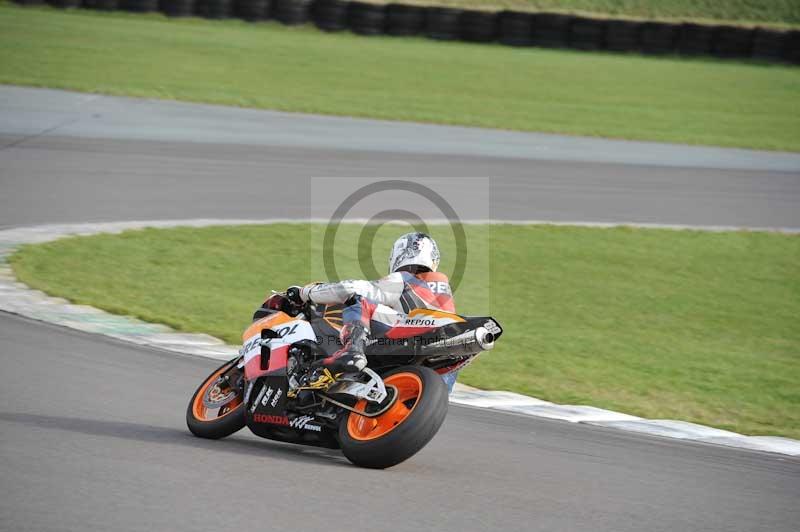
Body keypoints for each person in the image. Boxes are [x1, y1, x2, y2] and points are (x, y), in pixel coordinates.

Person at [286, 232, 458, 389]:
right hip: (441, 366)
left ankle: (352, 351)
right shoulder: (442, 288)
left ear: (400, 254)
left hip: (416, 335)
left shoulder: (406, 278)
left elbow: (350, 288)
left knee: (358, 300)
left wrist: (305, 293)